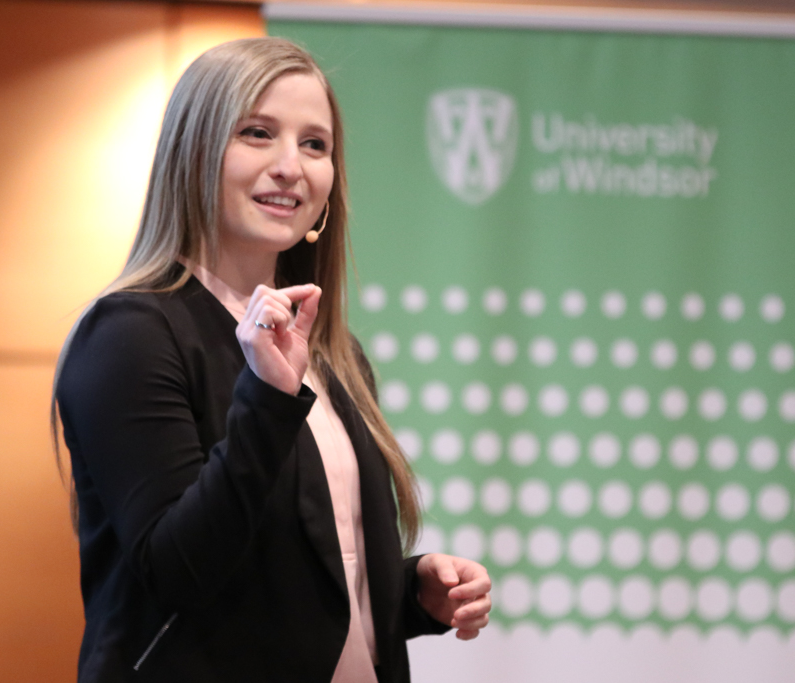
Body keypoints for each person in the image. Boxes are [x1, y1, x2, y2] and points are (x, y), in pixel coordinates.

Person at [53, 37, 491, 683]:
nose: (292, 165)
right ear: (194, 153)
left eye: (315, 144)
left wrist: (408, 590)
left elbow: (289, 578)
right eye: (258, 133)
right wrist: (267, 400)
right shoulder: (130, 333)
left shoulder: (333, 353)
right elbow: (178, 572)